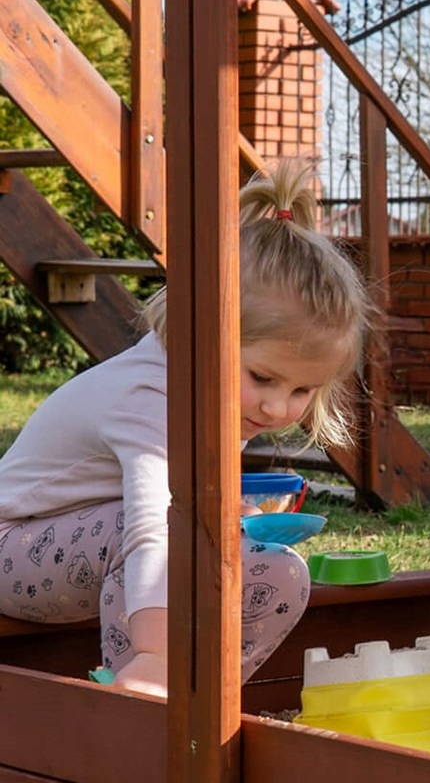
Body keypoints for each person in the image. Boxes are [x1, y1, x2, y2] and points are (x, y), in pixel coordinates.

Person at [0, 164, 369, 696]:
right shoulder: (148, 396)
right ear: (204, 329)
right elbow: (152, 525)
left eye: (302, 390)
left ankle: (206, 701)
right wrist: (156, 654)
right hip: (13, 547)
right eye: (263, 378)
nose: (276, 407)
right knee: (169, 527)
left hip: (87, 549)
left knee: (280, 571)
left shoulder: (213, 386)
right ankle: (140, 691)